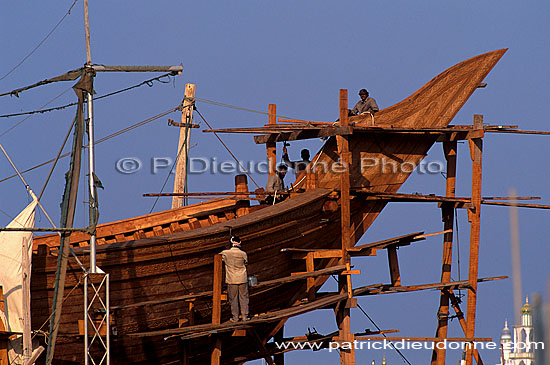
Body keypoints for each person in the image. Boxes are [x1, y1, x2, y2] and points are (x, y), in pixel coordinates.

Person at [220, 236, 249, 322]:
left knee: (233, 299)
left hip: (232, 279)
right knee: (244, 298)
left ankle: (235, 318)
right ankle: (245, 316)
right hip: (242, 278)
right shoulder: (243, 254)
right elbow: (246, 262)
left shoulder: (225, 253)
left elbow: (219, 258)